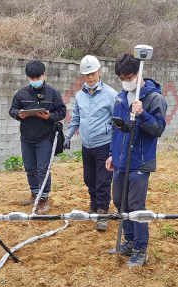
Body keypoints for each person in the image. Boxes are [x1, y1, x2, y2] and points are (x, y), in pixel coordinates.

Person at [106, 53, 167, 267]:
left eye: (129, 76)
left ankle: (141, 249)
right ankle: (130, 241)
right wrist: (112, 154)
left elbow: (158, 129)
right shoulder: (122, 97)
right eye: (121, 77)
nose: (125, 81)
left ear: (138, 74)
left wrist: (143, 114)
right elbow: (116, 129)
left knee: (136, 206)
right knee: (119, 202)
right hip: (121, 161)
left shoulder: (153, 98)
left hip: (140, 161)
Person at [64, 55, 118, 231]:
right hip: (87, 146)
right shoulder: (80, 96)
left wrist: (114, 149)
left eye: (93, 73)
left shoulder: (111, 95)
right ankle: (94, 207)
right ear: (83, 76)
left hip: (104, 145)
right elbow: (76, 119)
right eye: (87, 75)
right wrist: (68, 135)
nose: (90, 77)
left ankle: (103, 213)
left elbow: (117, 123)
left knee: (103, 181)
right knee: (90, 179)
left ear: (100, 72)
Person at [9, 60, 66, 215]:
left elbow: (62, 112)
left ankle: (44, 199)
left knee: (43, 169)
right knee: (30, 168)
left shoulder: (52, 93)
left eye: (37, 78)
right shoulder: (21, 93)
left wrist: (49, 116)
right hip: (26, 137)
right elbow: (12, 109)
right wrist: (18, 114)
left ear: (44, 75)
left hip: (44, 138)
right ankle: (35, 194)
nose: (35, 81)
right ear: (28, 78)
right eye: (31, 78)